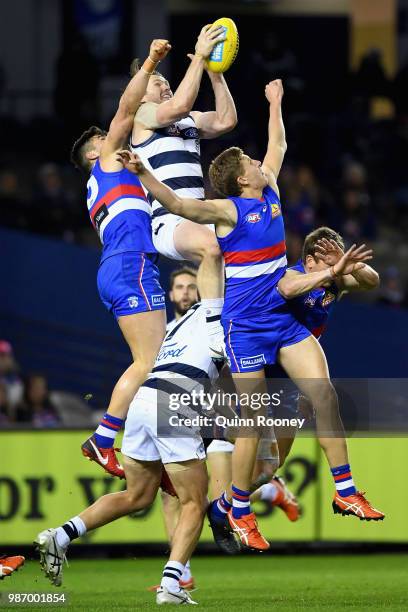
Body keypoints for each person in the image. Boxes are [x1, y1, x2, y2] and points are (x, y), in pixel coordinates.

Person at [116, 78, 384, 551]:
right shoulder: (227, 211)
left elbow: (277, 143)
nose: (262, 164)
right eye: (252, 163)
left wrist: (276, 104)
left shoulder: (272, 191)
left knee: (324, 396)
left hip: (280, 317)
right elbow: (178, 204)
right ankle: (239, 508)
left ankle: (345, 491)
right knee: (252, 424)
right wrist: (143, 175)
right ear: (243, 179)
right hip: (244, 327)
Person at [35, 301, 216, 605]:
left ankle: (61, 535)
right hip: (175, 401)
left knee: (138, 495)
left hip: (143, 400)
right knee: (195, 502)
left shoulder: (180, 323)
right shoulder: (225, 316)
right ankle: (172, 585)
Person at [69, 39, 171, 478]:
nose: (107, 137)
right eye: (100, 138)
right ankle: (104, 437)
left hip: (115, 267)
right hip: (133, 263)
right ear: (94, 153)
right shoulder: (107, 159)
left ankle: (127, 439)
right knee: (149, 362)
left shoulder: (102, 182)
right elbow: (126, 114)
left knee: (152, 361)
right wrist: (148, 64)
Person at [130, 24, 237, 359]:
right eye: (157, 82)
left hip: (198, 214)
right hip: (168, 221)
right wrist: (199, 55)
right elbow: (176, 107)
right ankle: (212, 328)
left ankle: (226, 326)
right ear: (140, 93)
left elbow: (225, 121)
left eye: (167, 81)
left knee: (242, 247)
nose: (165, 85)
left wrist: (214, 73)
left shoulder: (187, 119)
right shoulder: (142, 116)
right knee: (210, 246)